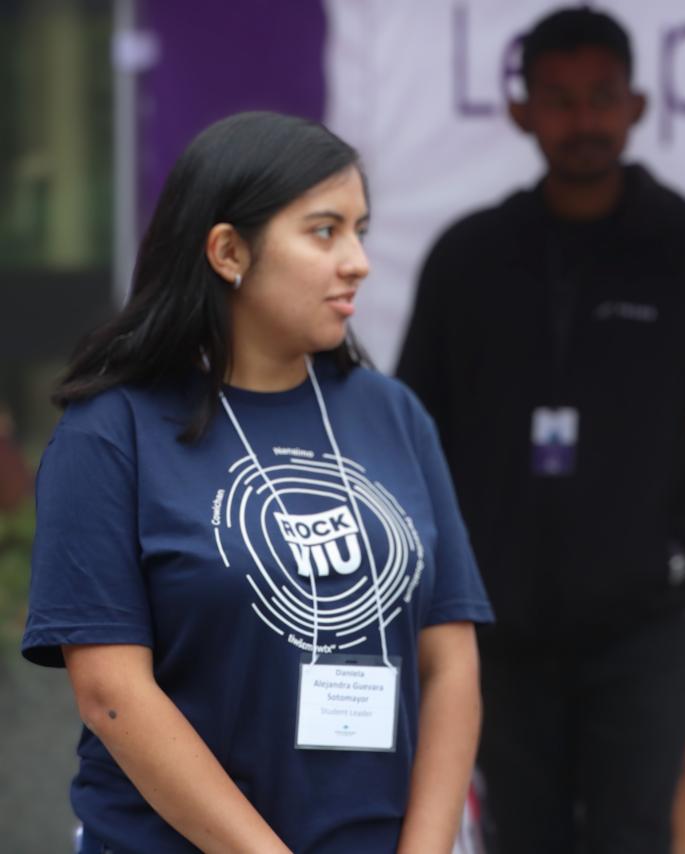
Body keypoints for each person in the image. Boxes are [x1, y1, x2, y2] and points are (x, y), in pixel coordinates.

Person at [21, 111, 493, 853]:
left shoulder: (391, 412)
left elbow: (450, 659)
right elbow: (111, 692)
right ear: (228, 250)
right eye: (324, 231)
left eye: (360, 231)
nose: (358, 261)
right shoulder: (112, 432)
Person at [396, 7, 685, 852]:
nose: (582, 121)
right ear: (521, 110)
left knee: (634, 836)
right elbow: (412, 425)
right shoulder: (470, 257)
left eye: (600, 97)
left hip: (644, 624)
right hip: (499, 626)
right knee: (521, 838)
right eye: (559, 99)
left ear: (635, 105)